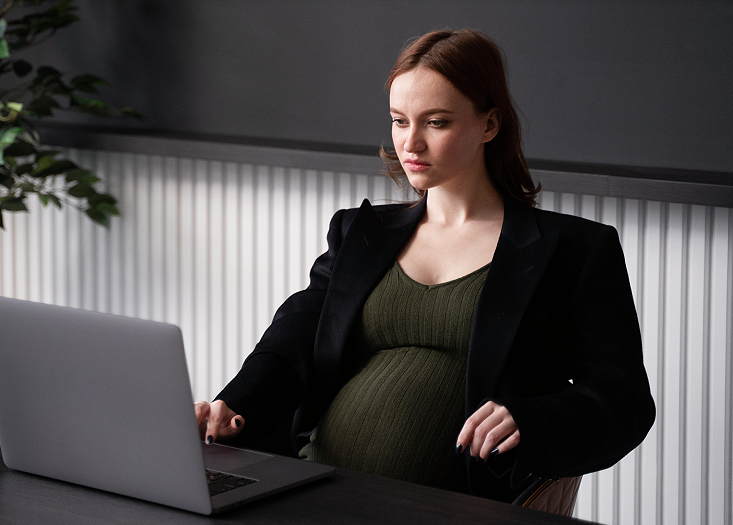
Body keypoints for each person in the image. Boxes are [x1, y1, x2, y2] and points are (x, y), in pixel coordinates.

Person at [193, 29, 655, 502]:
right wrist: (235, 404)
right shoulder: (358, 234)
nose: (410, 143)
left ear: (489, 124)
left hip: (457, 508)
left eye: (436, 122)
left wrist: (531, 420)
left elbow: (625, 403)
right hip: (315, 488)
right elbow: (292, 341)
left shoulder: (574, 250)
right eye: (398, 120)